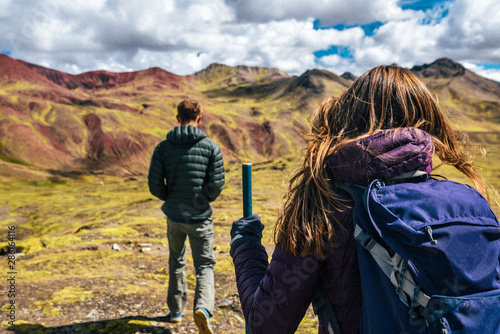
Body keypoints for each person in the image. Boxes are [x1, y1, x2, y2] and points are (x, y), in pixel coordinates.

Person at [229, 65, 491, 333]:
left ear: (350, 115)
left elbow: (267, 324)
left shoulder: (327, 202)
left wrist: (245, 245)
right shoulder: (471, 204)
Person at [148, 100, 225, 334]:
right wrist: (200, 202)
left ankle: (176, 312)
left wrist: (170, 200)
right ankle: (202, 308)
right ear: (199, 118)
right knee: (205, 265)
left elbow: (154, 184)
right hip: (200, 218)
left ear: (178, 118)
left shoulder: (163, 148)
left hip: (174, 218)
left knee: (176, 261)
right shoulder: (210, 147)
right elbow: (217, 183)